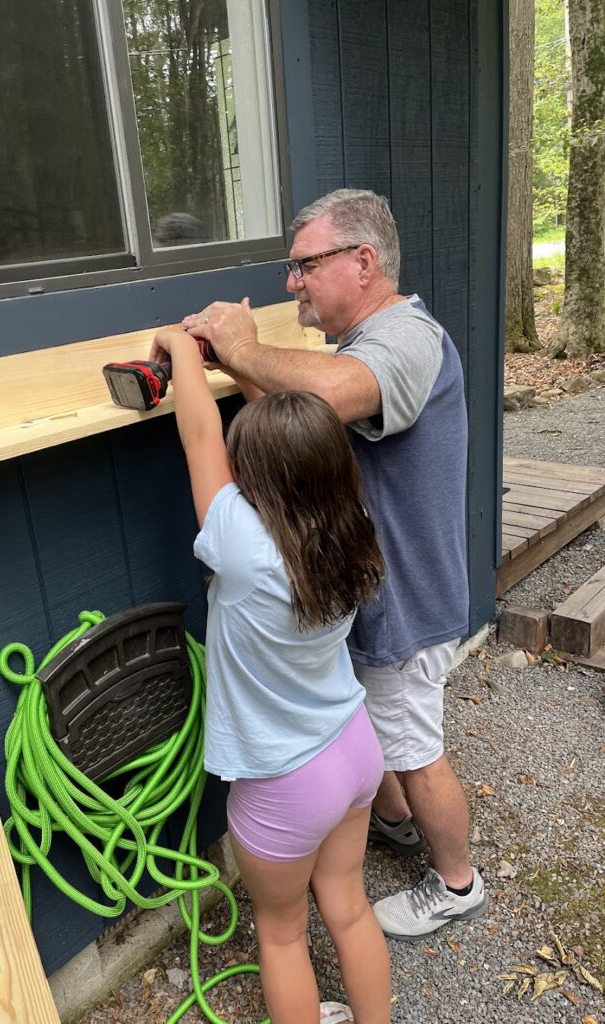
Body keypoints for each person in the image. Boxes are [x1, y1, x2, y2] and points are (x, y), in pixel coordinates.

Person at [177, 188, 489, 942]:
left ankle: (457, 882)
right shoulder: (362, 344)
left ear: (363, 262)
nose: (293, 283)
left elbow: (337, 393)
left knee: (416, 749)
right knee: (381, 728)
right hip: (369, 589)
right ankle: (394, 824)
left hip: (407, 604)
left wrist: (237, 344)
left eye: (304, 265)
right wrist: (249, 371)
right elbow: (302, 430)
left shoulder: (406, 339)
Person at [150, 324, 390, 1024]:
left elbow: (200, 435)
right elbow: (294, 449)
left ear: (252, 476)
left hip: (287, 782)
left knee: (282, 934)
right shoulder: (352, 523)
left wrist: (182, 346)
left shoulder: (241, 544)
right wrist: (248, 367)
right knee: (347, 909)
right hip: (353, 747)